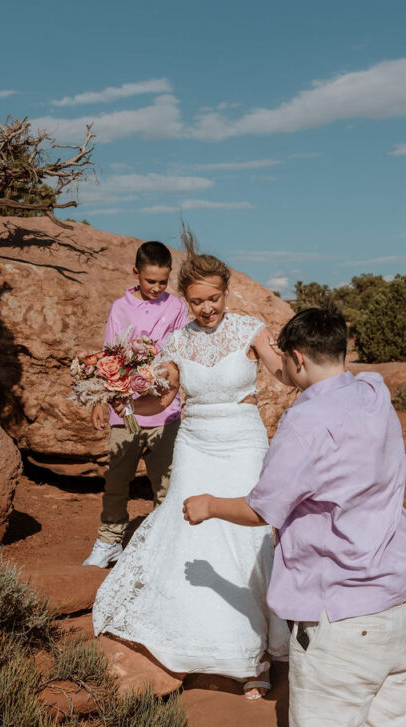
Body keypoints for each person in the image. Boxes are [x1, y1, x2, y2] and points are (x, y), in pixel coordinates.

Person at [182, 307, 406, 727]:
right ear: (343, 347)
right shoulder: (373, 391)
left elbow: (265, 506)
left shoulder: (304, 421)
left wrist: (210, 503)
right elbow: (340, 367)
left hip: (337, 602)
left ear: (293, 359)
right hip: (395, 593)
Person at [92, 230, 289, 695]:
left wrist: (305, 354)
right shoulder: (176, 342)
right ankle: (200, 636)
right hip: (195, 444)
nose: (208, 309)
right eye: (198, 301)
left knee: (247, 536)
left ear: (226, 293)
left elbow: (285, 373)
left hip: (243, 441)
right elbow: (160, 400)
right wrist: (118, 398)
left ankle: (253, 654)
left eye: (215, 298)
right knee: (191, 532)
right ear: (186, 299)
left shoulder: (249, 329)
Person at [83, 241, 187, 569]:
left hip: (166, 411)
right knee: (118, 476)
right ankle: (109, 541)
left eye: (162, 281)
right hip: (125, 410)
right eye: (150, 280)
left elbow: (182, 353)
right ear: (135, 273)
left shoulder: (177, 307)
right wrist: (101, 400)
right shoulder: (120, 307)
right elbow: (109, 354)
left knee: (166, 483)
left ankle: (164, 547)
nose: (156, 287)